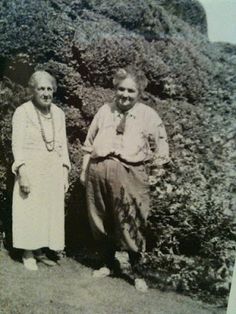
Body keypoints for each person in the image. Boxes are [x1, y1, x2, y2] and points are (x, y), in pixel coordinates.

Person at [80, 67, 169, 291]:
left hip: (131, 173)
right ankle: (107, 263)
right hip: (98, 170)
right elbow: (89, 145)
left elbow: (162, 147)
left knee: (132, 220)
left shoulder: (148, 115)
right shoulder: (104, 110)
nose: (125, 94)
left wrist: (156, 173)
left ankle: (136, 272)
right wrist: (83, 172)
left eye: (131, 91)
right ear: (115, 89)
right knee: (99, 219)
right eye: (121, 89)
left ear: (139, 93)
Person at [11, 70, 71, 271]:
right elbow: (17, 145)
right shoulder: (23, 112)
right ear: (32, 91)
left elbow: (62, 145)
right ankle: (28, 252)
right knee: (29, 210)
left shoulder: (59, 114)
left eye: (49, 89)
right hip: (31, 169)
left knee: (47, 212)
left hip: (52, 170)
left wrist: (64, 173)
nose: (46, 93)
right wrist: (22, 172)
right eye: (41, 89)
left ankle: (40, 251)